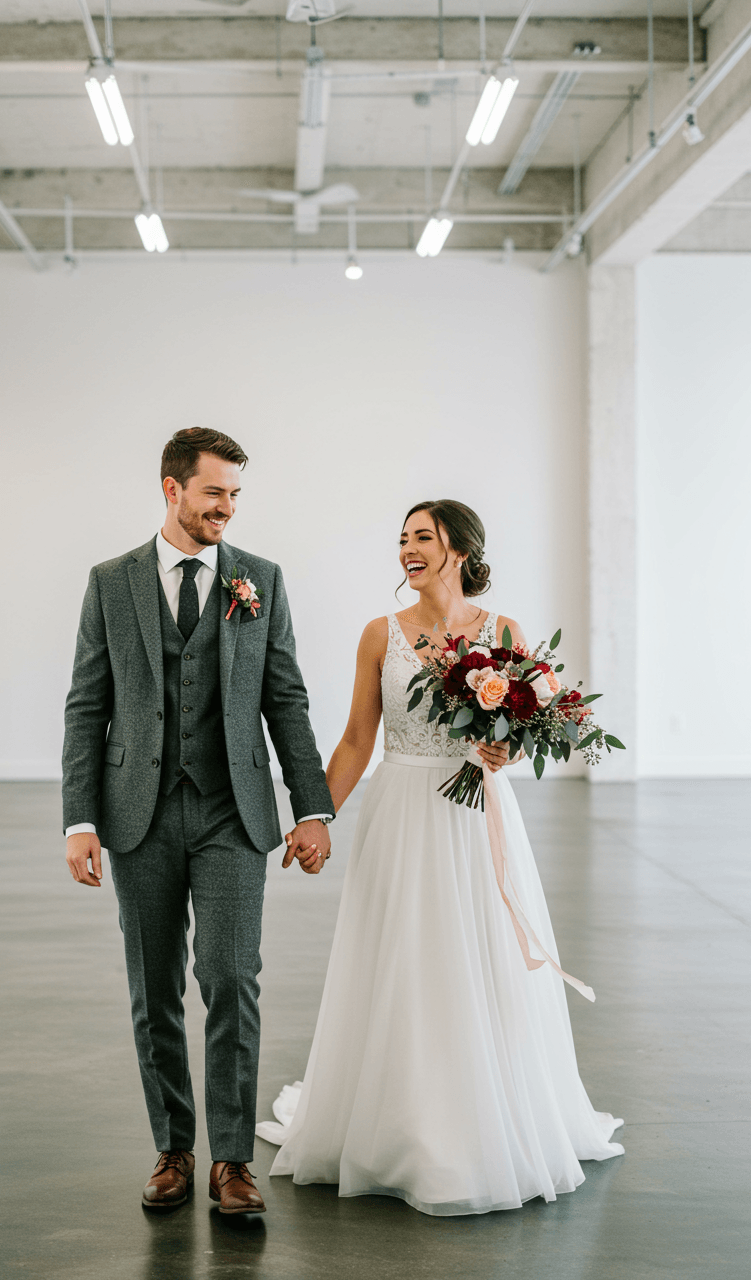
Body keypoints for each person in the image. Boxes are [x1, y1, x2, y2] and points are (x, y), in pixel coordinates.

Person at [264, 499, 624, 1215]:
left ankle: (480, 1118)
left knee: (479, 954)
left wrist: (504, 747)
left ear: (458, 549)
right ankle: (399, 1119)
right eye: (402, 539)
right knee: (401, 956)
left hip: (474, 815)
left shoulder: (505, 632)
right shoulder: (379, 635)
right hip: (398, 812)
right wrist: (314, 818)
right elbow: (356, 742)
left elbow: (527, 730)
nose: (407, 550)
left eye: (422, 538)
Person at [62, 428, 333, 1215]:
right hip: (135, 815)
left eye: (236, 495)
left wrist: (310, 807)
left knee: (229, 977)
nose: (228, 508)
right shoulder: (110, 582)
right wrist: (78, 819)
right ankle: (174, 1150)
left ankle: (233, 1159)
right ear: (172, 489)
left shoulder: (262, 580)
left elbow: (286, 699)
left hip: (233, 813)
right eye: (215, 492)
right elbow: (87, 706)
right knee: (154, 990)